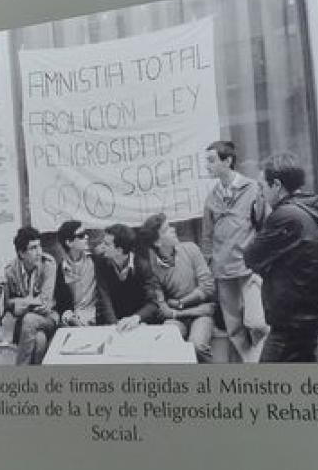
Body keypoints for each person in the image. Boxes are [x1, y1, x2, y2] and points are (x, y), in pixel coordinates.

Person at [244, 154, 318, 363]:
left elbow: (251, 257)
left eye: (262, 187)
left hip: (290, 326)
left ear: (276, 185)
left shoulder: (285, 216)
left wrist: (264, 216)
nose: (261, 193)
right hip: (308, 321)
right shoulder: (309, 211)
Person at [201, 140, 267, 362]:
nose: (207, 166)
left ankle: (257, 358)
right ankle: (251, 367)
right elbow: (207, 238)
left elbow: (266, 227)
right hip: (223, 273)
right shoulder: (211, 197)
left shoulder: (253, 189)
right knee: (235, 329)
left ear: (227, 161)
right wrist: (209, 265)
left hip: (249, 270)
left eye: (211, 161)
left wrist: (263, 265)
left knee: (257, 323)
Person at [139, 213, 215, 363]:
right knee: (165, 343)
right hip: (177, 318)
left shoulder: (191, 249)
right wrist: (178, 312)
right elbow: (163, 310)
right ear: (158, 243)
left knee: (197, 345)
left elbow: (207, 287)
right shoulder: (152, 269)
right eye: (167, 229)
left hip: (201, 314)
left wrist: (180, 304)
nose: (173, 230)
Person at [2, 227, 58, 365]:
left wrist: (20, 303)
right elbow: (7, 304)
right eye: (33, 248)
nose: (39, 252)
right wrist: (19, 304)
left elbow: (45, 303)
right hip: (23, 326)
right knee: (40, 340)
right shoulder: (10, 271)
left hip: (49, 318)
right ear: (21, 253)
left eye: (39, 246)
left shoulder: (48, 265)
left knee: (29, 319)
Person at [93, 224, 159, 330]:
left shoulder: (143, 266)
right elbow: (104, 299)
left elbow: (153, 303)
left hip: (136, 322)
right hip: (112, 321)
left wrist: (136, 318)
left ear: (119, 250)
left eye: (106, 244)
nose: (101, 247)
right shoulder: (101, 263)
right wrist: (115, 325)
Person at [56, 221, 98, 326]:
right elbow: (61, 304)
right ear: (69, 243)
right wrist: (70, 318)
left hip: (96, 316)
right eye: (81, 235)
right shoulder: (61, 269)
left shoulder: (95, 261)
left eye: (86, 234)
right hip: (73, 320)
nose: (87, 237)